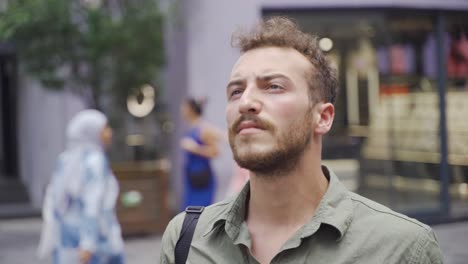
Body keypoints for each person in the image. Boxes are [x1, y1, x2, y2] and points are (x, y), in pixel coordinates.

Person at [160, 17, 443, 264]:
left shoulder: (402, 249)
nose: (246, 102)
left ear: (323, 118)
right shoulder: (186, 239)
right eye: (236, 91)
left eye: (273, 86)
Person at [38, 109, 125, 264]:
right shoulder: (96, 161)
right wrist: (88, 243)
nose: (109, 132)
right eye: (105, 128)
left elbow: (56, 204)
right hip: (95, 245)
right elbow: (93, 204)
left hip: (67, 242)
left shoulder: (65, 160)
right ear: (91, 131)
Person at [180, 97, 222, 210]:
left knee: (199, 215)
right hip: (191, 180)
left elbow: (216, 152)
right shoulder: (191, 127)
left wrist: (195, 148)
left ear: (191, 109)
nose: (182, 109)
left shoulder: (203, 128)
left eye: (184, 107)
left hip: (202, 181)